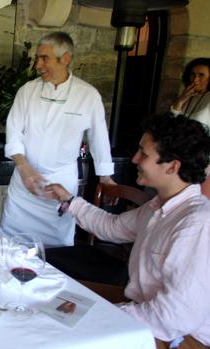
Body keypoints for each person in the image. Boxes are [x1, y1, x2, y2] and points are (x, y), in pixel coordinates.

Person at [47, 114, 210, 348]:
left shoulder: (197, 224)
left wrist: (104, 316)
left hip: (178, 337)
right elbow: (111, 228)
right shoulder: (157, 208)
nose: (134, 159)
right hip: (141, 310)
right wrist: (70, 201)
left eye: (143, 153)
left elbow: (175, 316)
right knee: (53, 300)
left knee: (68, 330)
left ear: (172, 166)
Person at [0, 31, 115, 247]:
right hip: (24, 183)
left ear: (66, 59)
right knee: (10, 242)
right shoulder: (27, 91)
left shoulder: (87, 95)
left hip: (60, 186)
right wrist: (24, 168)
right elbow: (13, 131)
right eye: (37, 58)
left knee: (56, 251)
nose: (38, 65)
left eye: (45, 58)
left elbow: (99, 138)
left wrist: (105, 177)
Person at [170, 57, 210, 198]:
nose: (195, 79)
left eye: (201, 75)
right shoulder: (189, 96)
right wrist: (181, 100)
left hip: (202, 160)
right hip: (181, 155)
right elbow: (172, 125)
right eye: (192, 74)